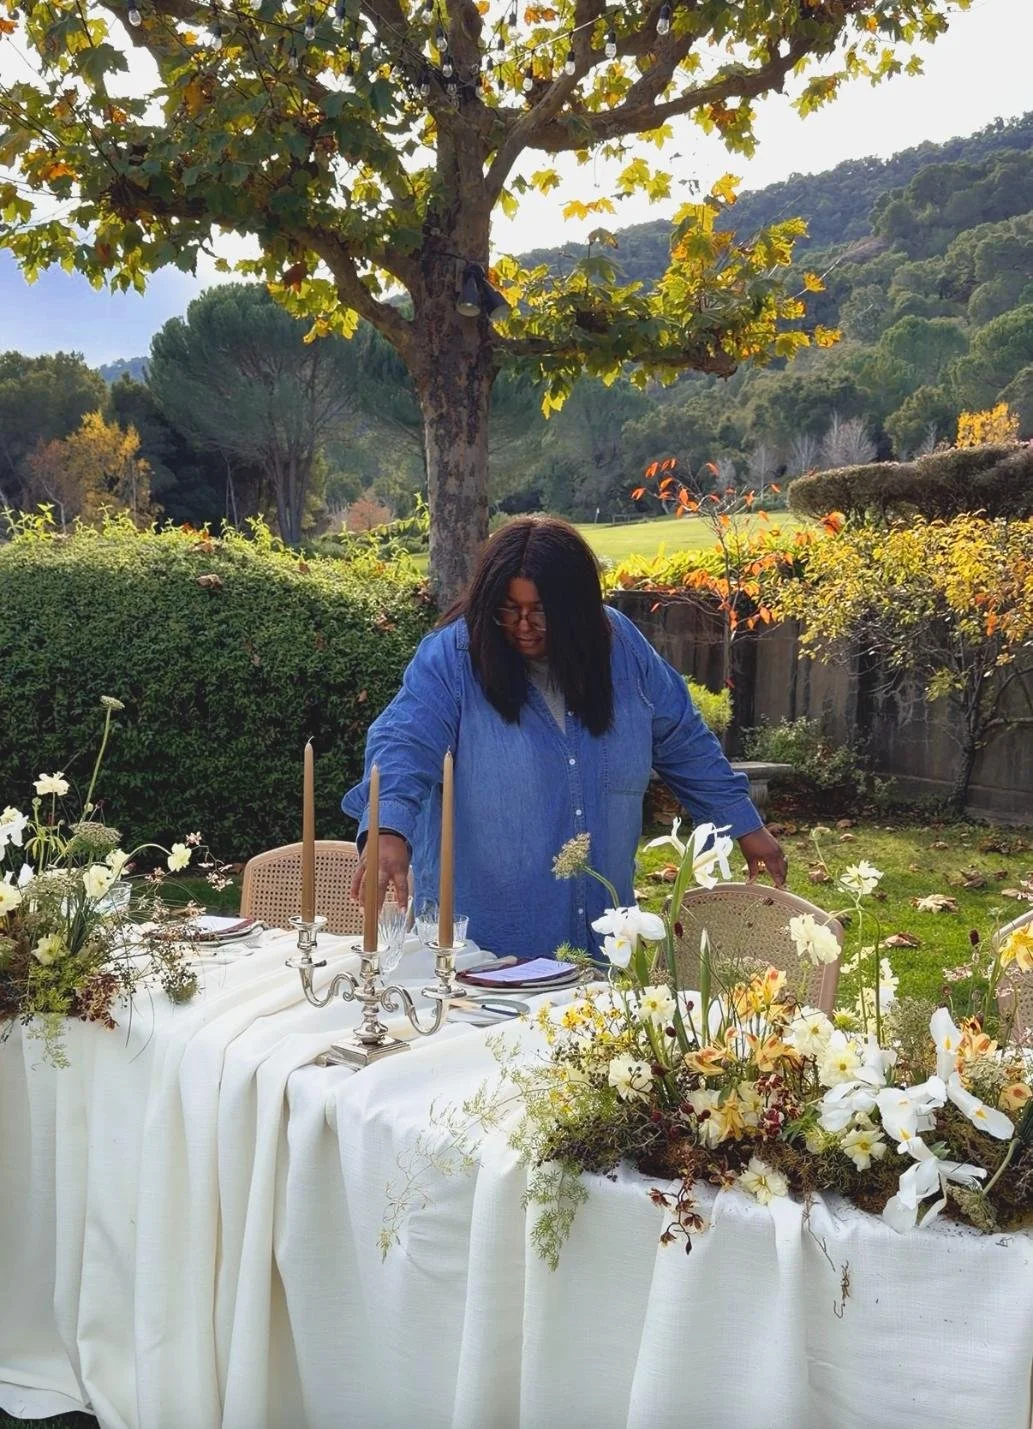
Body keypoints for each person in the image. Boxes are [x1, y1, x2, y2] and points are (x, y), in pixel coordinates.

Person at [342, 516, 786, 960]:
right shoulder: (452, 658)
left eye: (541, 611)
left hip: (601, 951)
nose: (523, 625)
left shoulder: (622, 648)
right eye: (507, 609)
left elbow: (683, 739)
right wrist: (387, 828)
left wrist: (743, 823)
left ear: (577, 609)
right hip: (481, 959)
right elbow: (404, 741)